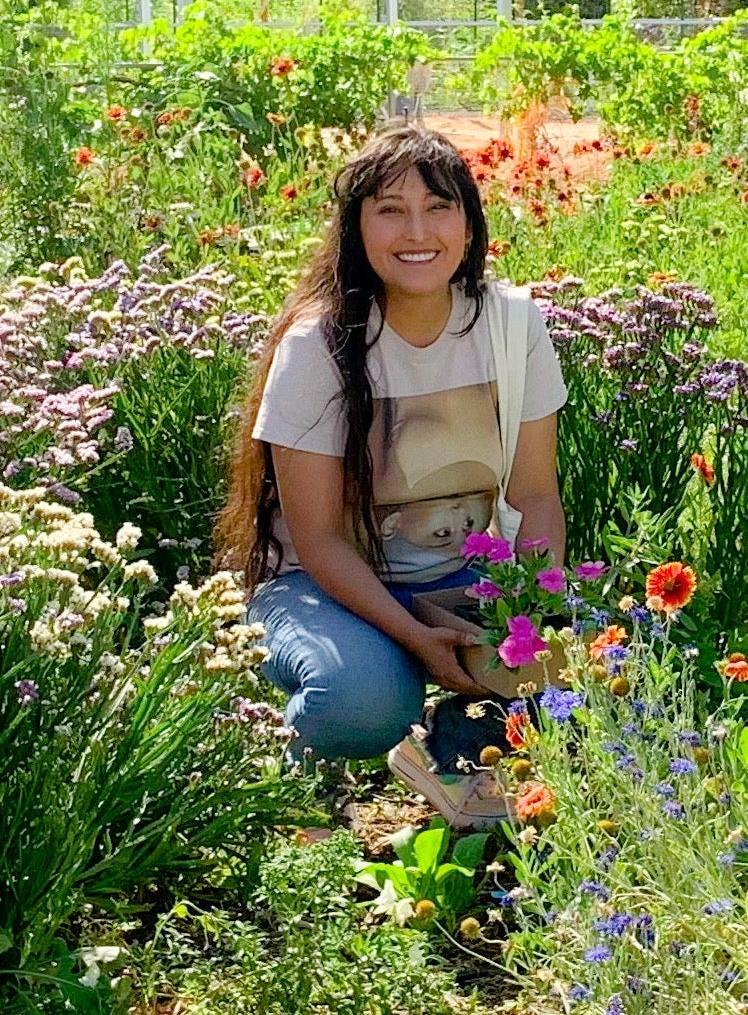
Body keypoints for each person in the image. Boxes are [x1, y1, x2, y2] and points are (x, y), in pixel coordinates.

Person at [215, 127, 567, 826]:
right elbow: (318, 541)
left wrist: (525, 617)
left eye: (439, 207)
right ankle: (295, 774)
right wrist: (412, 636)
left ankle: (458, 752)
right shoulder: (318, 345)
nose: (417, 231)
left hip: (463, 582)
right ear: (357, 230)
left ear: (469, 225)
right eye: (390, 209)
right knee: (366, 702)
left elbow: (534, 496)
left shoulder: (512, 325)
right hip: (325, 586)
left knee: (607, 674)